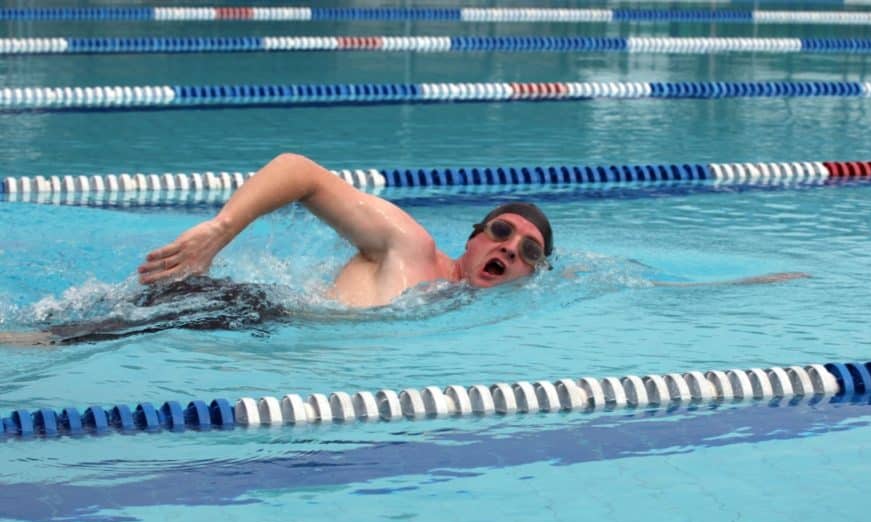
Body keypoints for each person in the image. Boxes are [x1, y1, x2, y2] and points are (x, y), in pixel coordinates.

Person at [1, 153, 554, 345]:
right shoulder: (412, 247)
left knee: (65, 324)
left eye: (529, 253)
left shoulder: (472, 306)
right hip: (244, 309)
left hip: (253, 320)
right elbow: (301, 173)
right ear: (475, 237)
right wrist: (221, 229)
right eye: (502, 233)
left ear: (532, 276)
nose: (509, 250)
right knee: (53, 340)